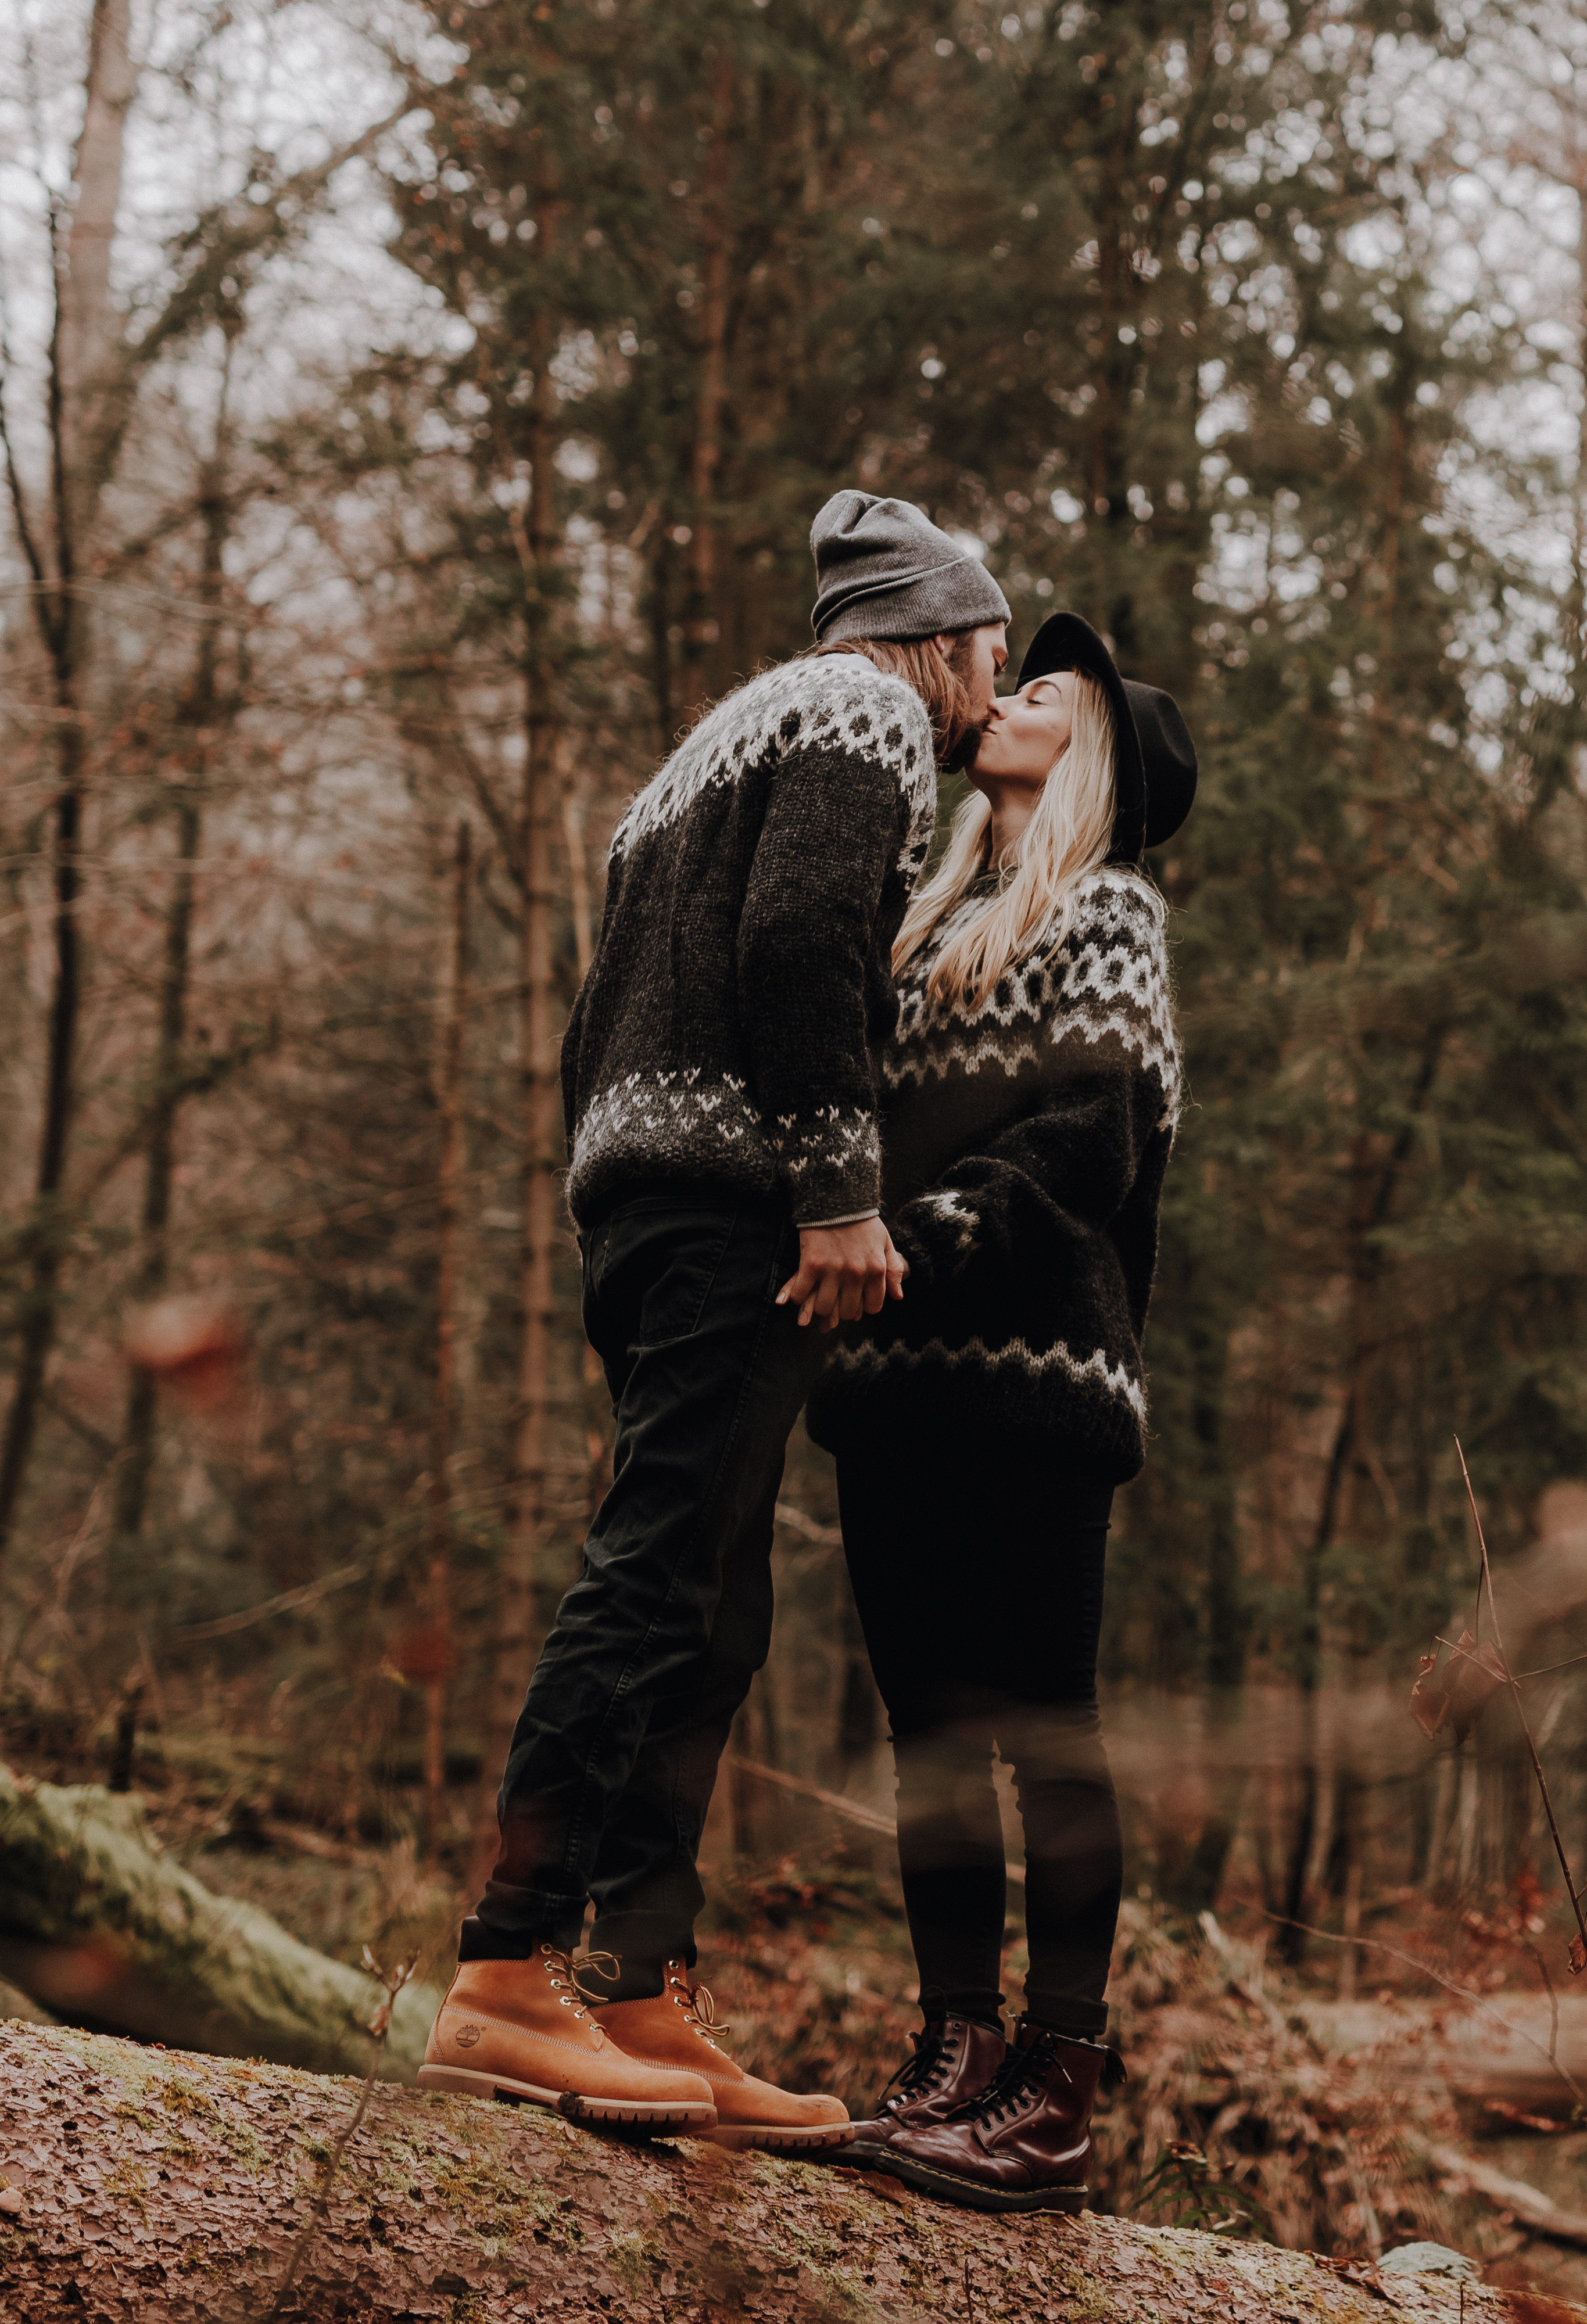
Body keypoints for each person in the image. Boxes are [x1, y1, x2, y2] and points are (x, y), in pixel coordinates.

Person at [415, 492, 1012, 2146]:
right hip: (729, 1208)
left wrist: (606, 1192)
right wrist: (837, 1190)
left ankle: (636, 1989)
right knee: (660, 1567)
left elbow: (597, 1014)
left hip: (643, 1201)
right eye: (991, 647)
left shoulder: (699, 755)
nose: (993, 685)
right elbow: (800, 943)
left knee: (715, 1599)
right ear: (937, 637)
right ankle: (506, 1970)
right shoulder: (867, 714)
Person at [808, 609, 1196, 2214]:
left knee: (1046, 1732)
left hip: (1040, 1384)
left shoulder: (1110, 911)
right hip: (886, 1386)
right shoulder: (920, 921)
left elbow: (1089, 1141)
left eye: (1043, 691)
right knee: (931, 1742)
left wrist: (919, 1237)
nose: (1008, 696)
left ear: (1090, 750)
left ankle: (1058, 2090)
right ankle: (955, 2059)